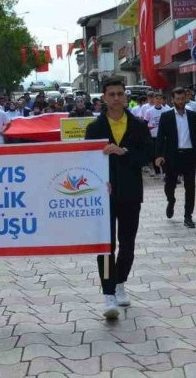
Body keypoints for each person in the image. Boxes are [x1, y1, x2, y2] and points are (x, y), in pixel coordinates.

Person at [84, 78, 154, 320]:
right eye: (111, 94)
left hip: (131, 193)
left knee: (128, 244)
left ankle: (120, 281)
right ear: (103, 98)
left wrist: (125, 152)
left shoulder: (138, 126)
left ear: (126, 97)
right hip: (104, 196)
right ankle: (108, 293)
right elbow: (87, 162)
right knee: (105, 247)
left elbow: (147, 155)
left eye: (119, 94)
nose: (116, 98)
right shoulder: (94, 128)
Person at [155, 88, 196, 228]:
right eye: (178, 99)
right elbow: (160, 138)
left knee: (190, 187)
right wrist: (159, 155)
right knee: (169, 186)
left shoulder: (193, 116)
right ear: (172, 100)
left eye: (183, 99)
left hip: (189, 155)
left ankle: (188, 216)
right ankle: (171, 201)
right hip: (172, 156)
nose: (181, 102)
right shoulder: (166, 117)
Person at [142, 92, 170, 174]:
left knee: (164, 154)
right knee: (155, 154)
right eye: (156, 98)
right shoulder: (149, 111)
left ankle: (165, 171)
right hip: (153, 136)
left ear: (162, 100)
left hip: (164, 136)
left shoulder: (166, 110)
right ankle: (157, 171)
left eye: (160, 98)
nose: (158, 100)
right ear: (153, 100)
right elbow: (145, 124)